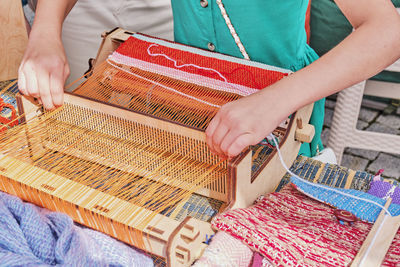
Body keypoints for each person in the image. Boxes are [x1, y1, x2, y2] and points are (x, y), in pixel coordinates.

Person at [18, 0, 400, 159]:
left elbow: (387, 29)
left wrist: (273, 101)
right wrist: (47, 31)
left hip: (281, 117)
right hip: (190, 106)